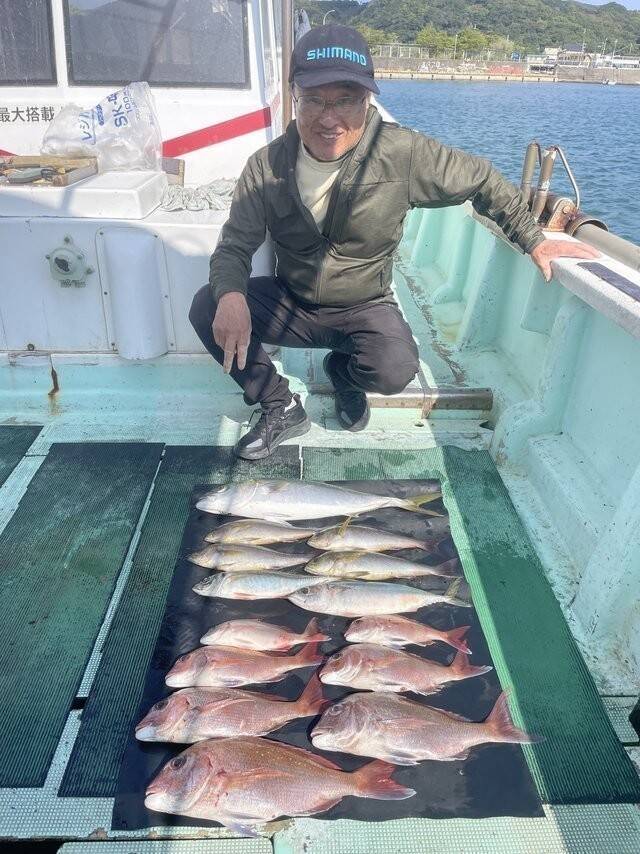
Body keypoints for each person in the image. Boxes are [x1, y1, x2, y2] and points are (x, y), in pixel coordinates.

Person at [189, 24, 599, 461]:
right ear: (294, 97)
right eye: (314, 100)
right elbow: (234, 244)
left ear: (367, 100)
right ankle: (278, 404)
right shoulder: (265, 166)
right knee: (207, 305)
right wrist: (231, 293)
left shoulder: (402, 153)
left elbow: (481, 179)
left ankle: (344, 374)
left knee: (395, 368)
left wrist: (533, 239)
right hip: (292, 301)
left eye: (345, 100)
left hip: (364, 304)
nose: (329, 117)